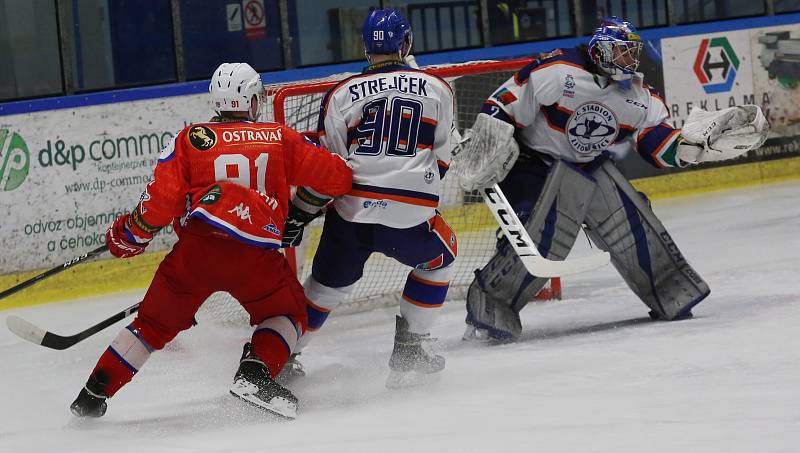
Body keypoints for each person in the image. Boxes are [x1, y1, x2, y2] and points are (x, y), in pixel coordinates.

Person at [450, 16, 768, 341]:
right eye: (623, 52)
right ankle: (490, 306)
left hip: (587, 166)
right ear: (601, 51)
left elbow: (655, 140)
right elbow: (503, 104)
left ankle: (671, 291)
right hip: (534, 164)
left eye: (633, 53)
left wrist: (693, 147)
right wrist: (487, 138)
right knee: (541, 237)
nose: (631, 60)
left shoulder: (640, 96)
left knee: (633, 226)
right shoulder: (558, 71)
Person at [69, 63, 352, 419]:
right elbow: (339, 177)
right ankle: (253, 373)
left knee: (151, 325)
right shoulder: (279, 137)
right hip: (255, 257)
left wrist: (130, 234)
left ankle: (91, 396)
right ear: (251, 100)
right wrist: (298, 212)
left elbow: (161, 202)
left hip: (195, 253)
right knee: (288, 314)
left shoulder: (190, 139)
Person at [281, 9, 458, 388]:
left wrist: (302, 211)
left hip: (351, 212)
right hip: (410, 212)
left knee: (323, 289)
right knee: (441, 259)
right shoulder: (437, 87)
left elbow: (332, 169)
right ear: (406, 43)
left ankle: (280, 356)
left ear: (365, 47)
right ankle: (411, 344)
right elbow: (442, 156)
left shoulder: (341, 93)